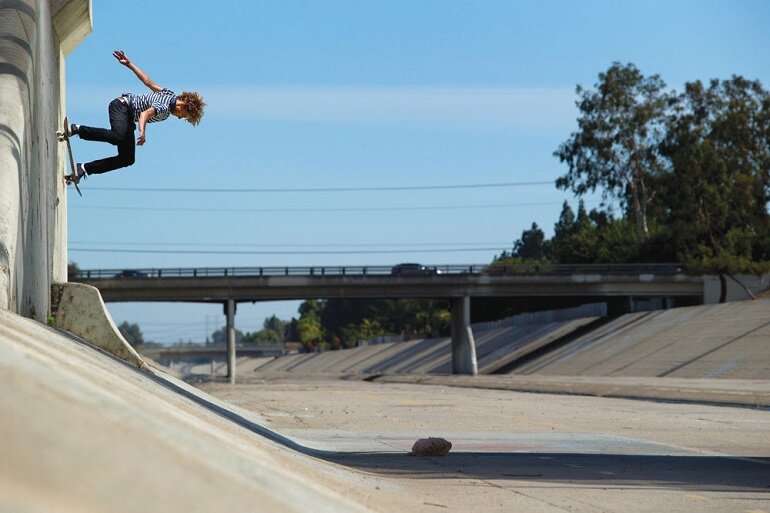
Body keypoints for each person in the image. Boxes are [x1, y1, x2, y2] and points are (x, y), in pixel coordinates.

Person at [65, 50, 205, 182]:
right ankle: (77, 129)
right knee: (118, 137)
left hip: (128, 117)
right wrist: (142, 131)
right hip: (122, 107)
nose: (180, 118)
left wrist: (129, 64)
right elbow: (145, 114)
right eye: (183, 116)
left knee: (127, 159)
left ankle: (83, 168)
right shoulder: (164, 108)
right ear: (184, 106)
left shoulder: (170, 93)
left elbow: (148, 82)